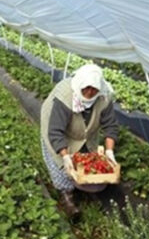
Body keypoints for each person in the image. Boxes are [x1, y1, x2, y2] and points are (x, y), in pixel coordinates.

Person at [40, 63, 118, 221]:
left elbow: (110, 127)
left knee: (87, 166)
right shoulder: (65, 98)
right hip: (59, 130)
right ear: (79, 85)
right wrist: (66, 156)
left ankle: (81, 186)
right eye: (86, 89)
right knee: (62, 166)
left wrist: (109, 152)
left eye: (94, 89)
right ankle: (66, 196)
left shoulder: (104, 97)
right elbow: (55, 132)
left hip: (85, 132)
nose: (89, 93)